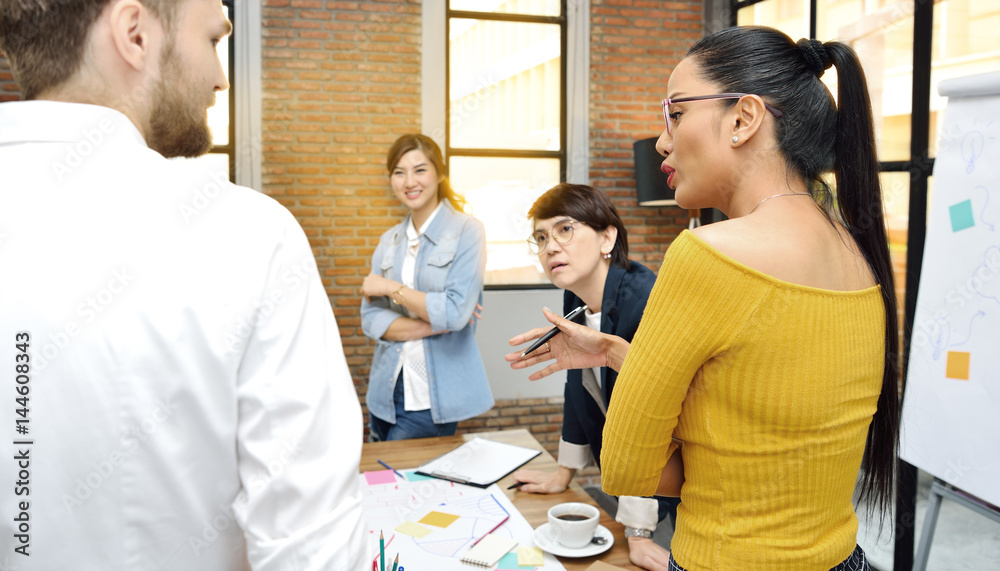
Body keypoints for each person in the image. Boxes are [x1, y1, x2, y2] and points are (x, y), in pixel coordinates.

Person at [508, 26, 899, 571]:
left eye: (674, 112)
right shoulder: (861, 257)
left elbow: (625, 466)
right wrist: (620, 353)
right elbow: (767, 436)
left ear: (743, 119)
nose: (663, 140)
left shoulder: (707, 255)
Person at [0, 1, 366, 569]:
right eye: (214, 40)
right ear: (134, 34)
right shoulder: (249, 236)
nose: (220, 76)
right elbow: (311, 550)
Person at [508, 183, 680, 571]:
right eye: (540, 237)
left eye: (565, 230)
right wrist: (562, 473)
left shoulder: (646, 299)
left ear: (607, 237)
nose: (550, 247)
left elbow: (651, 417)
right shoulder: (575, 297)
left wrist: (638, 531)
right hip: (626, 480)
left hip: (674, 485)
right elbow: (577, 386)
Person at [361, 134, 493, 441]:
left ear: (440, 173)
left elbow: (456, 313)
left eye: (420, 170)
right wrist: (438, 323)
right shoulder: (389, 240)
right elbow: (370, 319)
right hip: (384, 393)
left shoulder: (467, 231)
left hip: (430, 400)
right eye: (399, 172)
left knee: (404, 483)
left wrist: (389, 287)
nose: (409, 181)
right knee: (385, 485)